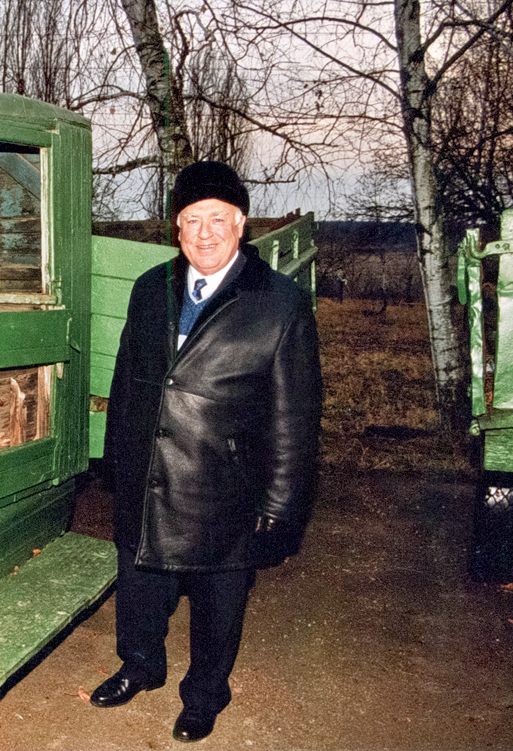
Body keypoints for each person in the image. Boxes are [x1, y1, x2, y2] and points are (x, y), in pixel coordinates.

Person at [91, 161, 322, 743]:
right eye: (192, 220)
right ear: (176, 228)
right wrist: (118, 460)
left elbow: (297, 417)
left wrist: (280, 502)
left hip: (226, 487)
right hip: (149, 475)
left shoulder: (279, 304)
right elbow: (127, 382)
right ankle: (140, 666)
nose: (205, 232)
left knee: (219, 604)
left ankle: (205, 695)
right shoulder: (150, 290)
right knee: (141, 588)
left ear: (240, 222)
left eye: (218, 218)